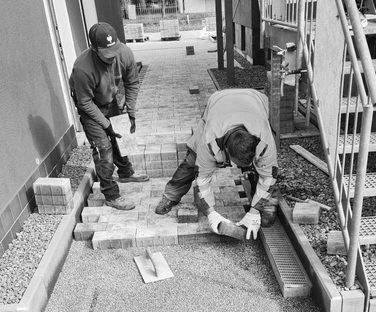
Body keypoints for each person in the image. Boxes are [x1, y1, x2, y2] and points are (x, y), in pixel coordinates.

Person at [155, 88, 279, 239]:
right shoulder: (209, 140)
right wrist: (211, 213)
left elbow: (268, 177)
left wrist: (254, 211)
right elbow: (202, 178)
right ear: (226, 150)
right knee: (192, 160)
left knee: (266, 170)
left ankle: (265, 205)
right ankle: (170, 195)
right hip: (218, 103)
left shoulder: (265, 140)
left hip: (255, 101)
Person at [69, 22, 149, 211]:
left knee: (122, 136)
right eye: (107, 55)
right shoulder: (82, 69)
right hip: (90, 105)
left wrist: (131, 112)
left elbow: (132, 83)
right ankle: (111, 195)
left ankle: (126, 172)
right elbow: (85, 103)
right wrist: (106, 124)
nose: (112, 58)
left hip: (109, 99)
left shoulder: (125, 53)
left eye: (114, 52)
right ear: (95, 49)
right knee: (104, 148)